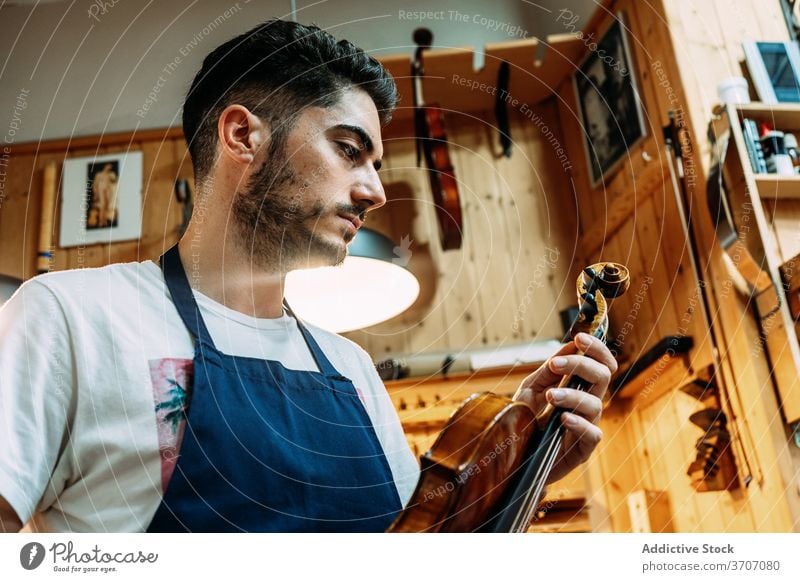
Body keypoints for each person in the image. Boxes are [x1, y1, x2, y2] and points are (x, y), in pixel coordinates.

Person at [0, 19, 616, 533]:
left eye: (376, 164)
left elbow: (415, 555)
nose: (375, 190)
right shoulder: (71, 317)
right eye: (349, 150)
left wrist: (518, 455)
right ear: (243, 135)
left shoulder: (350, 372)